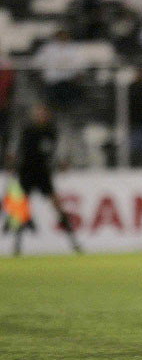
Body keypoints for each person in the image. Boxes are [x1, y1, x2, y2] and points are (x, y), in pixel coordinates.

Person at [4, 103, 81, 255]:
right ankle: (17, 245)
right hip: (26, 172)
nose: (41, 116)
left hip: (43, 173)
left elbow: (56, 151)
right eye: (38, 113)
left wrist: (61, 162)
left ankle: (74, 242)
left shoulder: (51, 131)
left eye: (43, 113)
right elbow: (14, 150)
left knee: (57, 206)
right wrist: (11, 163)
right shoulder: (27, 131)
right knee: (21, 209)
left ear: (48, 115)